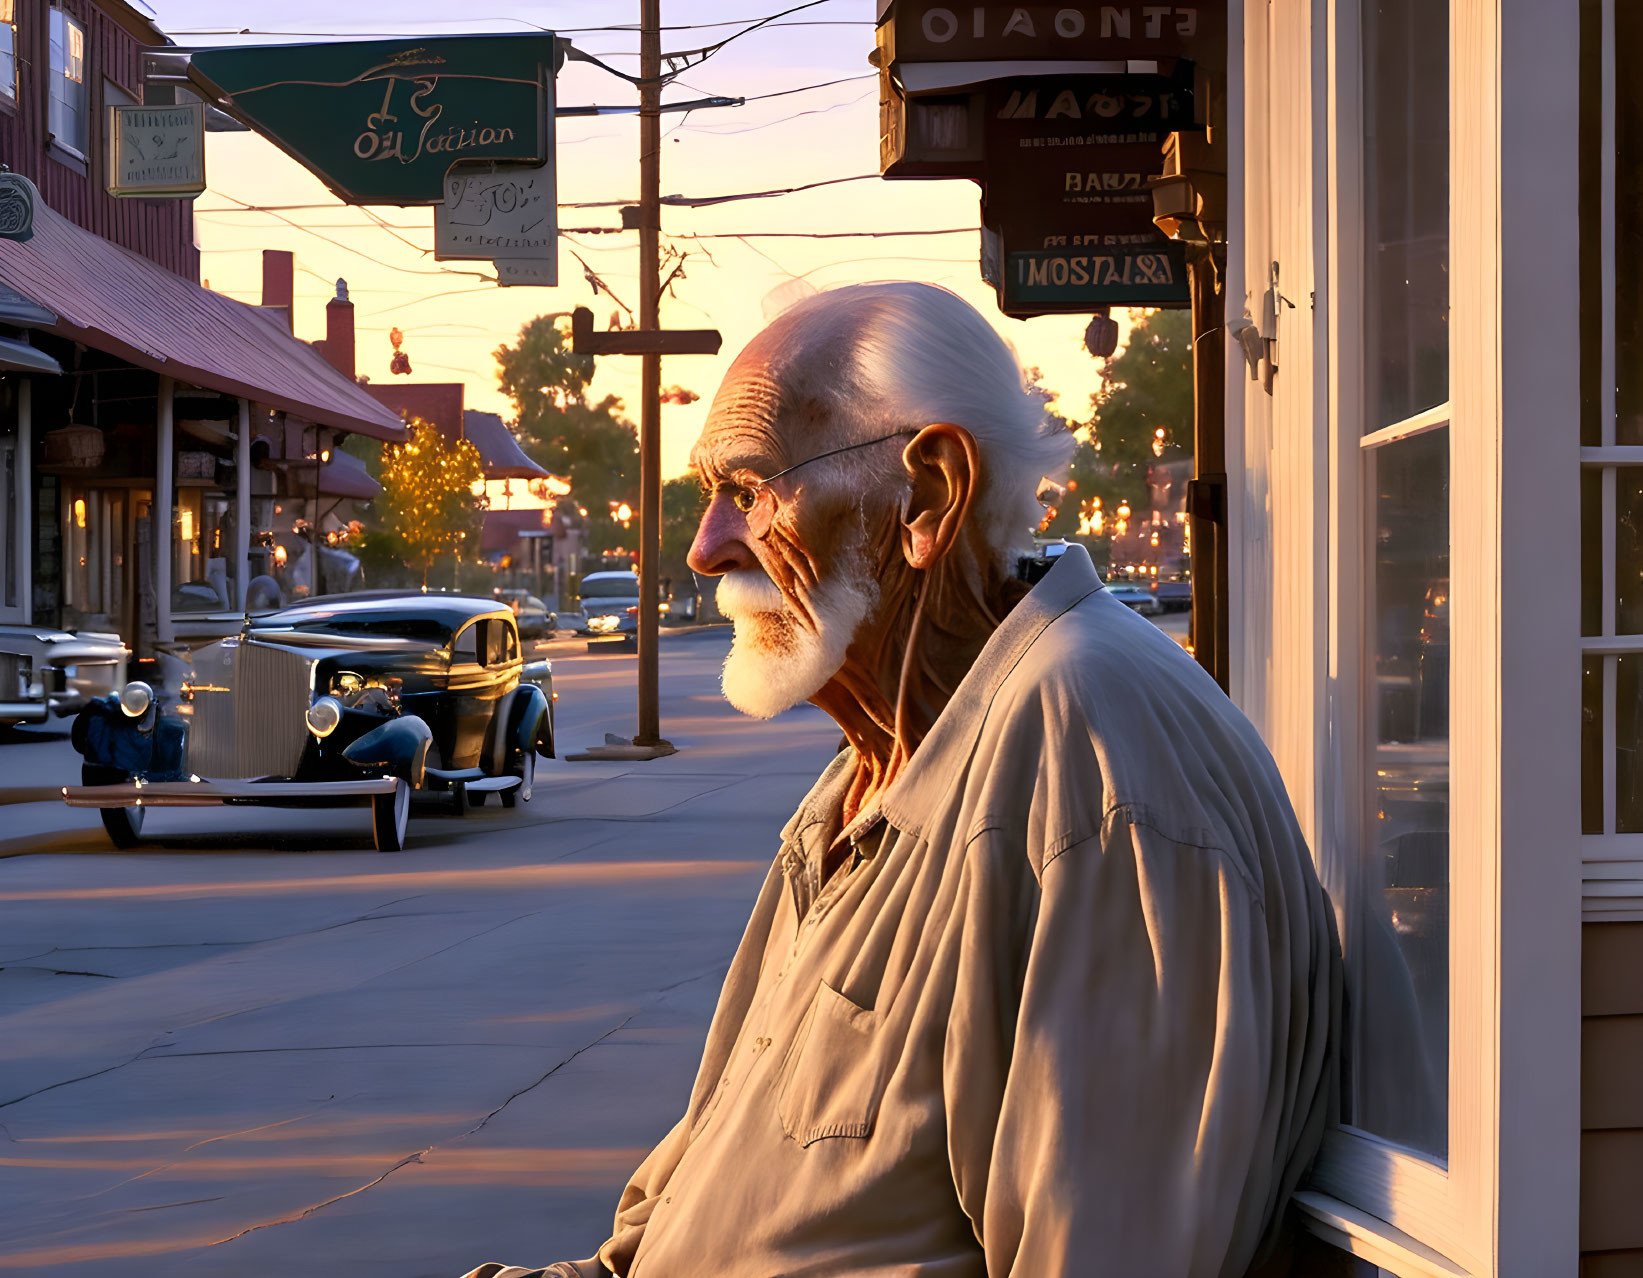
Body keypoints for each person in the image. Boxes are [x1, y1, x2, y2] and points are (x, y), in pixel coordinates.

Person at [463, 283, 1339, 1278]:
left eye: (748, 490)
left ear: (928, 497)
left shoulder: (1090, 757)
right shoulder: (872, 772)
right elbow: (676, 1227)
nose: (706, 547)